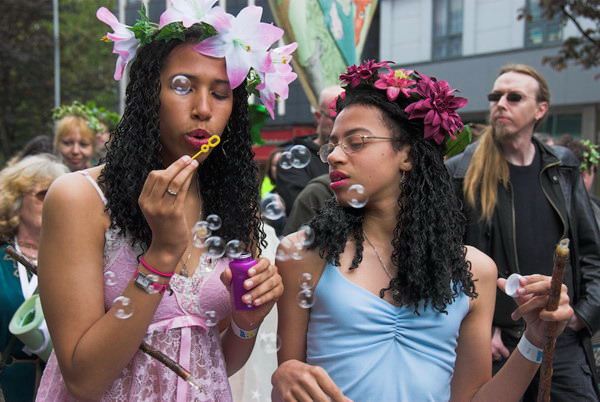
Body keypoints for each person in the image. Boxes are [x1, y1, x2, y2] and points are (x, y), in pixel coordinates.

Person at [271, 60, 573, 401]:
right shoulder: (307, 254)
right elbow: (289, 387)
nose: (334, 157)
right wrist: (282, 376)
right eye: (332, 144)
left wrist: (535, 339)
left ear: (409, 155)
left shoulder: (474, 270)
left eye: (356, 142)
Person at [35, 3, 294, 400]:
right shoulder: (79, 199)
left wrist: (246, 322)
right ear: (147, 94)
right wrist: (162, 254)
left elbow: (213, 362)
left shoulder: (231, 208)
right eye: (183, 86)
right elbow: (83, 379)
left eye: (220, 94)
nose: (204, 109)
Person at [446, 64, 600, 400]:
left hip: (562, 338)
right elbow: (446, 262)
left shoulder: (563, 167)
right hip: (497, 344)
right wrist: (477, 329)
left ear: (540, 110)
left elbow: (590, 252)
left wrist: (582, 317)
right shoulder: (461, 171)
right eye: (495, 96)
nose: (500, 103)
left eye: (514, 97)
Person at [0, 154, 68, 401]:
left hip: (62, 386)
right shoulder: (0, 259)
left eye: (57, 196)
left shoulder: (75, 261)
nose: (51, 202)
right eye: (42, 194)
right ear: (16, 199)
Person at [276, 86, 343, 215]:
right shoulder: (294, 159)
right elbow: (303, 211)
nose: (342, 122)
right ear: (318, 117)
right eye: (335, 116)